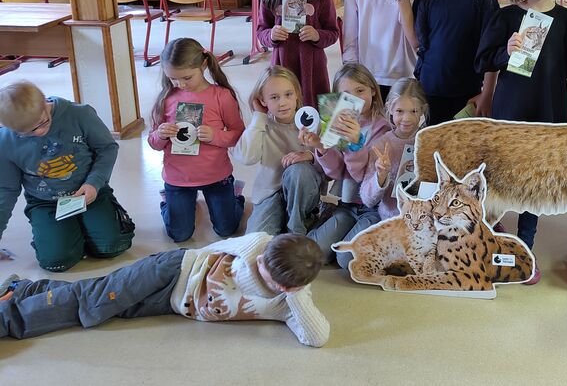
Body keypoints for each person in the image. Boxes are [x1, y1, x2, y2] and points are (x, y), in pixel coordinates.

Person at [475, 0, 567, 280]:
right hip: (511, 111)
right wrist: (506, 50)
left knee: (535, 181)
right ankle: (486, 239)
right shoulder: (507, 17)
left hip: (549, 110)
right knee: (501, 176)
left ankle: (525, 246)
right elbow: (482, 60)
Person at [1, 232, 330, 347]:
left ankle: (22, 290)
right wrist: (265, 253)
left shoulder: (289, 301)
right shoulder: (259, 246)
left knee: (100, 299)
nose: (256, 261)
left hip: (170, 302)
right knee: (93, 303)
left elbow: (317, 337)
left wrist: (295, 296)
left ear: (285, 287)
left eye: (265, 268)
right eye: (262, 257)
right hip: (172, 269)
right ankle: (7, 318)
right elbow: (253, 247)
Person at [0, 82, 134, 272]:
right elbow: (6, 190)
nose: (38, 132)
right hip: (45, 202)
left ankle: (85, 226)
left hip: (90, 193)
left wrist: (94, 183)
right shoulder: (5, 141)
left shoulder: (80, 114)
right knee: (55, 262)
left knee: (112, 247)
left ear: (44, 103)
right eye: (27, 133)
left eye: (43, 122)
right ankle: (60, 234)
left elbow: (107, 148)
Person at [147, 38, 246, 242]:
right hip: (178, 178)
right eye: (173, 79)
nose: (180, 84)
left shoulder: (222, 96)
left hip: (217, 176)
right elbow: (153, 143)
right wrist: (160, 134)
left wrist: (215, 135)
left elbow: (239, 134)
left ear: (203, 65)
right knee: (179, 234)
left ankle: (235, 195)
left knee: (227, 229)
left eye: (186, 77)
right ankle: (168, 201)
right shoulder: (166, 98)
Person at [299, 63, 391, 263]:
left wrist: (355, 144)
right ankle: (330, 216)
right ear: (338, 99)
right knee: (312, 254)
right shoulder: (337, 121)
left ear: (373, 91)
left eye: (360, 90)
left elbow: (361, 176)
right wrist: (321, 147)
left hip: (373, 208)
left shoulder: (382, 128)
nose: (355, 99)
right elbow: (336, 173)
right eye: (347, 94)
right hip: (346, 203)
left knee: (346, 260)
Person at [337, 77, 429, 270]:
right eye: (400, 111)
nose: (407, 118)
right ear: (389, 110)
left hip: (423, 224)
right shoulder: (381, 145)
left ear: (422, 111)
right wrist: (381, 175)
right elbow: (368, 199)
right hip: (388, 219)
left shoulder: (430, 141)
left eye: (414, 111)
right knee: (347, 259)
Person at [412, 0, 499, 124]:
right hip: (431, 87)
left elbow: (492, 52)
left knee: (465, 149)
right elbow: (417, 42)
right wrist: (402, 2)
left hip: (468, 91)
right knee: (433, 145)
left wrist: (487, 93)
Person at [233, 66, 326, 236]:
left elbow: (331, 167)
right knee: (256, 241)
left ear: (297, 94)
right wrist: (259, 118)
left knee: (298, 170)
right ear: (262, 100)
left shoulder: (312, 121)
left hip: (303, 194)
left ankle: (296, 228)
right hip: (270, 194)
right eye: (274, 97)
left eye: (288, 94)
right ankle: (285, 220)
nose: (282, 102)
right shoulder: (262, 124)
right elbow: (246, 158)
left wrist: (311, 156)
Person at [257, 0, 339, 107]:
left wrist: (317, 35)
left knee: (314, 109)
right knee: (285, 108)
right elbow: (261, 31)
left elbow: (333, 33)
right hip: (282, 65)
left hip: (313, 66)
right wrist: (271, 35)